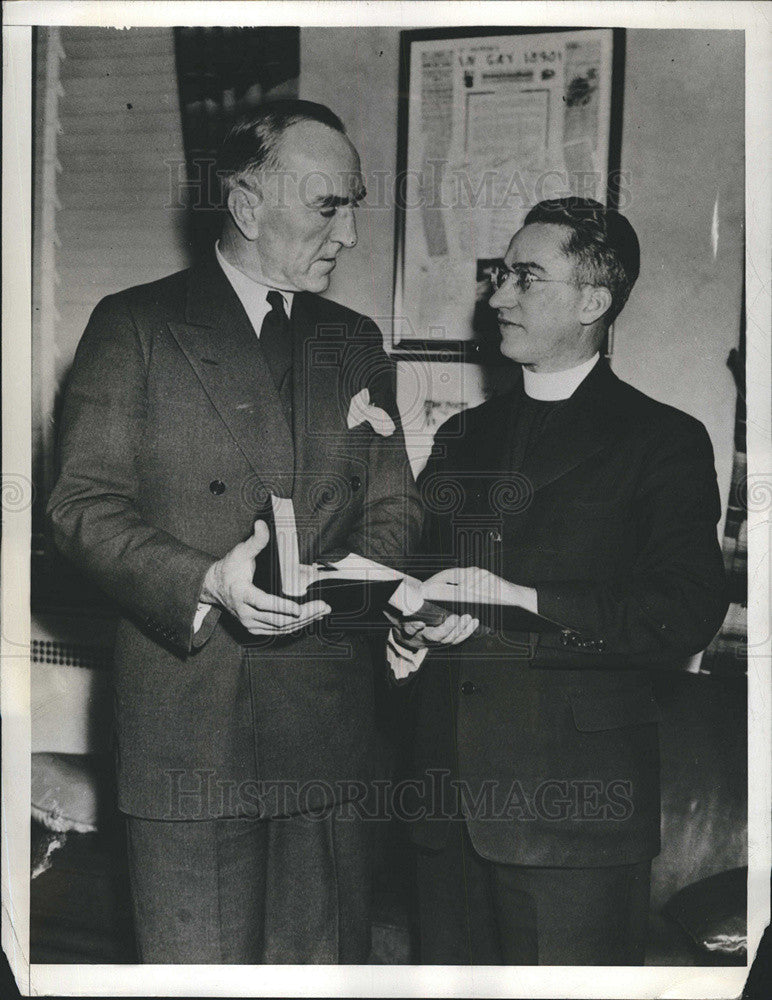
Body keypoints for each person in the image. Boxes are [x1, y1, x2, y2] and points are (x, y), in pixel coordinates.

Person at [48, 100, 421, 964]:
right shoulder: (136, 325)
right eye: (331, 207)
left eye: (355, 205)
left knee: (322, 974)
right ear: (249, 206)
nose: (352, 236)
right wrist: (207, 581)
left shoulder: (355, 342)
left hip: (329, 731)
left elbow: (395, 507)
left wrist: (370, 588)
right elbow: (80, 506)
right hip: (191, 726)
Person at [388, 198, 728, 965]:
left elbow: (683, 611)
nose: (498, 295)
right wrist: (413, 629)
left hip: (573, 824)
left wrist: (523, 604)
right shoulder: (461, 436)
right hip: (443, 811)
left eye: (525, 278)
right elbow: (426, 581)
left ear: (593, 301)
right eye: (501, 274)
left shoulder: (662, 439)